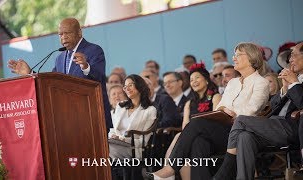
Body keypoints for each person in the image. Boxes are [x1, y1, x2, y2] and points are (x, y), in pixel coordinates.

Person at [147, 42, 270, 180]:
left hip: (242, 134)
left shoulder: (261, 82)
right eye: (234, 55)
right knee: (199, 142)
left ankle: (171, 168)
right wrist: (225, 109)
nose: (234, 58)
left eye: (238, 55)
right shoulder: (233, 83)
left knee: (197, 122)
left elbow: (252, 110)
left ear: (251, 57)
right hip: (224, 130)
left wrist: (230, 111)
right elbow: (220, 107)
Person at [213, 42, 303, 180]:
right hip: (272, 125)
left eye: (294, 55)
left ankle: (226, 169)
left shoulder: (295, 80)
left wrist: (295, 84)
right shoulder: (291, 79)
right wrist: (284, 89)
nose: (290, 60)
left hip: (291, 128)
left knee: (241, 119)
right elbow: (272, 107)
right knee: (244, 137)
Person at [7, 18, 113, 132]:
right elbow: (50, 84)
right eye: (60, 34)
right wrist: (30, 73)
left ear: (79, 32)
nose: (63, 37)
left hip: (93, 117)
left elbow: (99, 77)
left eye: (67, 33)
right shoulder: (60, 58)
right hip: (68, 121)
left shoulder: (94, 50)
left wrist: (86, 67)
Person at [109, 74, 157, 159]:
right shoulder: (120, 106)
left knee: (105, 150)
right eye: (125, 87)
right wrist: (113, 136)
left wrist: (123, 139)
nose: (127, 89)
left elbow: (144, 141)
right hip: (114, 144)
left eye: (130, 85)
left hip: (134, 149)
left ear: (139, 86)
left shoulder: (150, 110)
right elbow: (113, 129)